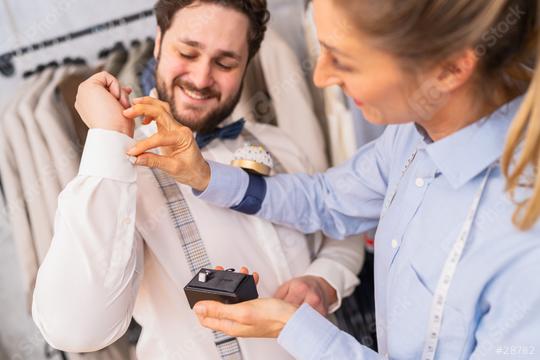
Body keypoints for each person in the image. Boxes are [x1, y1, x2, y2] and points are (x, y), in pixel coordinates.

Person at [109, 0, 540, 358]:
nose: (320, 77)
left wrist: (294, 328)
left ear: (449, 70)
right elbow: (329, 200)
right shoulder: (409, 137)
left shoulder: (524, 246)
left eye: (345, 60)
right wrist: (205, 176)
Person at [31, 1, 365, 359]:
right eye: (188, 52)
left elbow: (340, 225)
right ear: (158, 41)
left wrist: (324, 279)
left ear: (247, 62)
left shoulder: (280, 144)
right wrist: (110, 136)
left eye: (225, 63)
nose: (202, 79)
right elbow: (75, 329)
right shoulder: (117, 173)